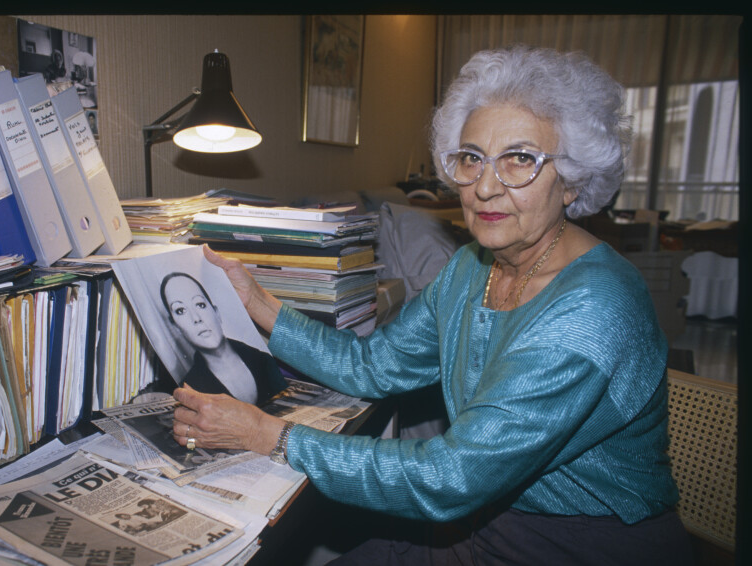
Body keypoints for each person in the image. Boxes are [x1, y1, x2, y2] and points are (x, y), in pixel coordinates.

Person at [171, 45, 693, 564]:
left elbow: (452, 477)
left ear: (572, 181)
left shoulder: (593, 309)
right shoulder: (471, 266)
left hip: (580, 544)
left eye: (520, 159)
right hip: (482, 519)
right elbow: (373, 366)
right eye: (472, 158)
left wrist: (265, 434)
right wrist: (258, 301)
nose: (485, 187)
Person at [160, 272, 285, 405]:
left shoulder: (264, 360)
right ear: (176, 327)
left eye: (200, 305)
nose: (196, 318)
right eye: (180, 311)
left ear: (216, 312)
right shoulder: (189, 389)